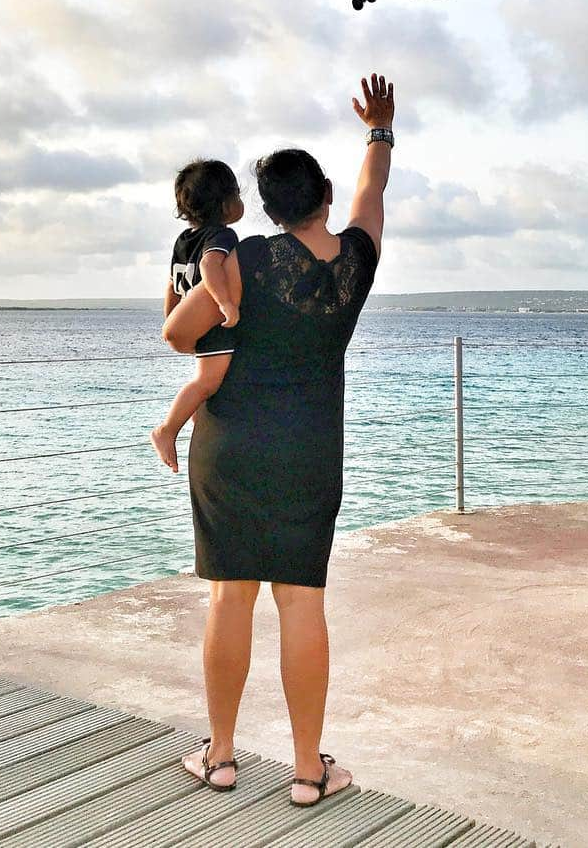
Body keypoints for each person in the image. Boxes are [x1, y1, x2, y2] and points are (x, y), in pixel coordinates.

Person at [162, 73, 394, 807]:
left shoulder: (246, 260)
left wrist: (216, 313)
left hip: (229, 446)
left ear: (264, 209)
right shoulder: (356, 261)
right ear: (323, 195)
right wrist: (379, 128)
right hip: (310, 453)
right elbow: (373, 191)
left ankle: (222, 758)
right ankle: (305, 772)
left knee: (231, 598)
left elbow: (178, 333)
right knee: (302, 602)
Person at [150, 159, 244, 475]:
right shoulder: (222, 237)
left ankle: (195, 413)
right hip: (214, 325)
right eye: (238, 195)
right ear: (225, 205)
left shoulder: (183, 240)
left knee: (205, 381)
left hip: (195, 324)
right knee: (207, 381)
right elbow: (209, 267)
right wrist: (226, 304)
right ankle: (167, 429)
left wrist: (171, 318)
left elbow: (173, 282)